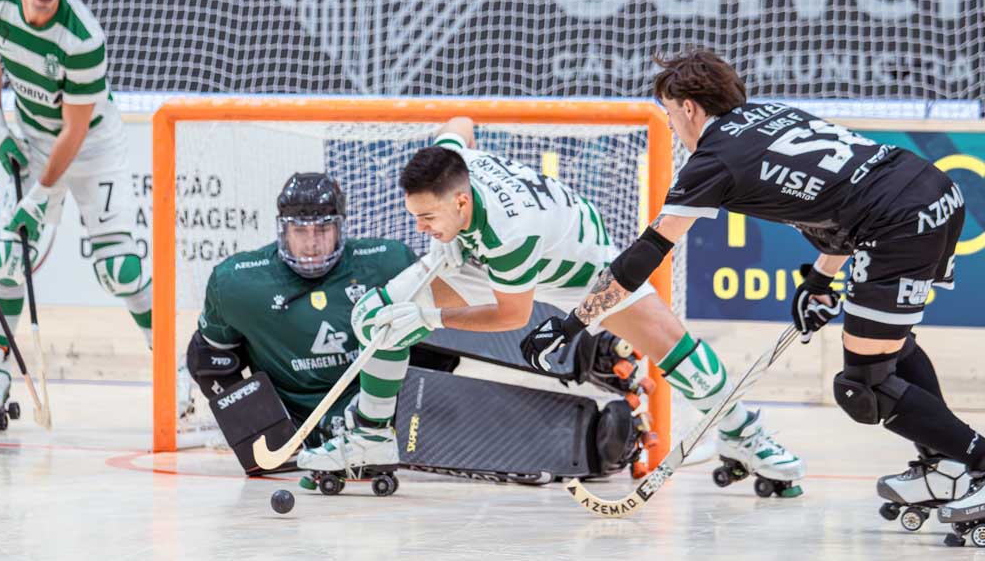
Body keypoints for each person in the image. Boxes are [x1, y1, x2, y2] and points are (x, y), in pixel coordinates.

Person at [529, 50, 982, 527]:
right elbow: (843, 204)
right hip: (931, 189)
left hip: (898, 224)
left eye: (668, 114)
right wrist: (820, 279)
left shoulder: (713, 161)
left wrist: (573, 323)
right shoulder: (769, 114)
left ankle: (976, 462)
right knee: (891, 348)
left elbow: (646, 253)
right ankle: (944, 466)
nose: (670, 127)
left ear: (688, 108)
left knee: (863, 387)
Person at [297, 116, 805, 497]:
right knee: (378, 318)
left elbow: (513, 317)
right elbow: (458, 125)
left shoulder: (508, 236)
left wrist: (429, 318)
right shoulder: (453, 169)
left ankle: (745, 434)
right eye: (416, 216)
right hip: (493, 247)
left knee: (677, 350)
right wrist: (445, 241)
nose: (419, 228)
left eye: (427, 218)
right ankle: (369, 438)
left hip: (580, 268)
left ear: (459, 202)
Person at [0, 0, 151, 423]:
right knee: (8, 259)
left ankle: (173, 374)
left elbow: (73, 132)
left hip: (93, 146)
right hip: (31, 137)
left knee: (121, 270)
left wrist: (41, 193)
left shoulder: (82, 37)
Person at [188, 172, 453, 474]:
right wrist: (261, 425)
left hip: (375, 417)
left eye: (323, 229)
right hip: (291, 426)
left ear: (341, 227)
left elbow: (437, 346)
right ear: (283, 230)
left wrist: (410, 412)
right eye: (300, 231)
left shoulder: (388, 263)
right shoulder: (237, 283)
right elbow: (208, 359)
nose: (311, 243)